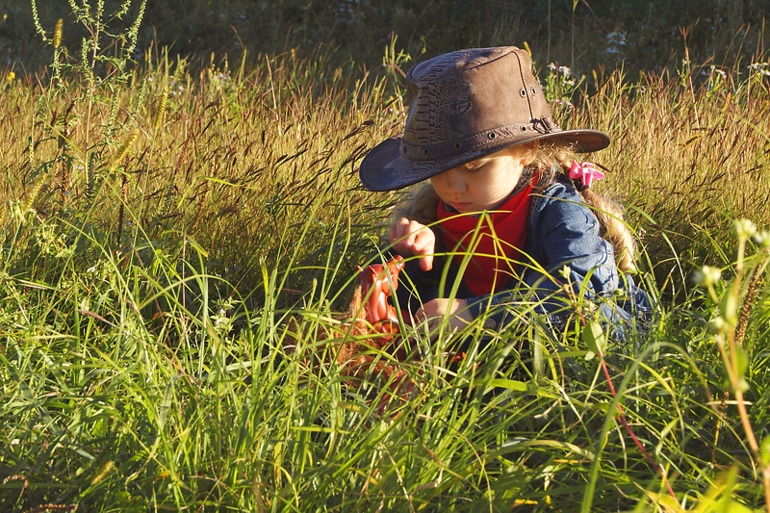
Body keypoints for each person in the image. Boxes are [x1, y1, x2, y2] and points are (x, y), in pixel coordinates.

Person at [357, 46, 650, 339]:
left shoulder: (559, 209)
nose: (453, 188)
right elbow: (407, 306)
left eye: (474, 167)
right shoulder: (436, 217)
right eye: (436, 173)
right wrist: (411, 261)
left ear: (526, 150)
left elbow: (583, 289)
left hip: (585, 351)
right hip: (492, 352)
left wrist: (474, 313)